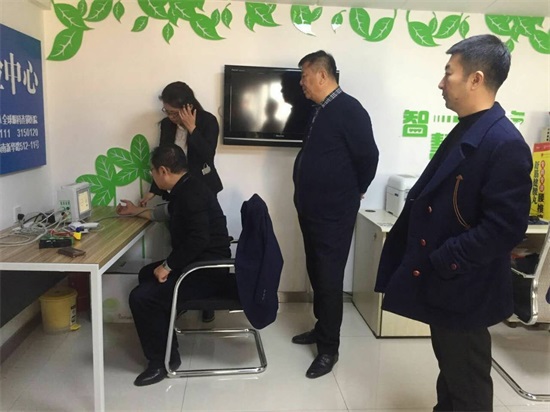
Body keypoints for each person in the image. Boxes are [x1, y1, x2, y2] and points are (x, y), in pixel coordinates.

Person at [375, 34, 533, 410]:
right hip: (448, 283)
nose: (441, 83)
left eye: (449, 73)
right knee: (451, 369)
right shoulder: (470, 126)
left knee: (467, 381)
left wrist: (447, 259)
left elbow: (505, 227)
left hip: (465, 286)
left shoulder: (504, 142)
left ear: (476, 79)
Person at [292, 50, 379, 379]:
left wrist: (358, 189)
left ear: (321, 75)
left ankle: (329, 349)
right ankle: (321, 328)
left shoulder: (350, 109)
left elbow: (369, 156)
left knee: (328, 279)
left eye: (304, 76)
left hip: (333, 213)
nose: (302, 83)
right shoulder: (320, 110)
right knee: (317, 272)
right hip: (312, 209)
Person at [117, 144, 233, 387]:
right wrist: (135, 211)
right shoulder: (187, 187)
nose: (152, 176)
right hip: (199, 263)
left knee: (141, 297)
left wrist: (168, 266)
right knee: (146, 274)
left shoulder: (191, 194)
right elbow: (166, 213)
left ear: (163, 171)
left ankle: (162, 362)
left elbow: (198, 240)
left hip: (206, 272)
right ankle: (165, 332)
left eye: (152, 171)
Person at [140, 81, 222, 323]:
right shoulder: (167, 125)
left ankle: (206, 300)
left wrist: (192, 128)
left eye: (175, 112)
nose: (171, 117)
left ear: (188, 106)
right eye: (167, 111)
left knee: (200, 240)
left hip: (202, 189)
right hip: (175, 190)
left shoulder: (207, 121)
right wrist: (153, 191)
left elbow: (207, 156)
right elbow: (163, 161)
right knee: (179, 241)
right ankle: (180, 294)